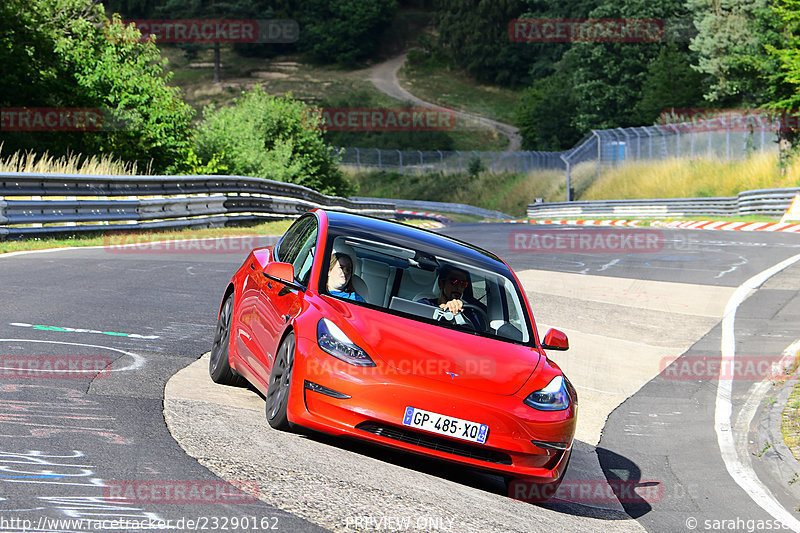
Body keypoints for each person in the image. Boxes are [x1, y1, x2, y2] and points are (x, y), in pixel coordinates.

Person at [417, 265, 482, 330]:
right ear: (441, 283)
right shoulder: (425, 305)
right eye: (454, 282)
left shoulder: (470, 313)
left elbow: (476, 336)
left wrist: (461, 314)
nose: (459, 288)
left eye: (463, 284)